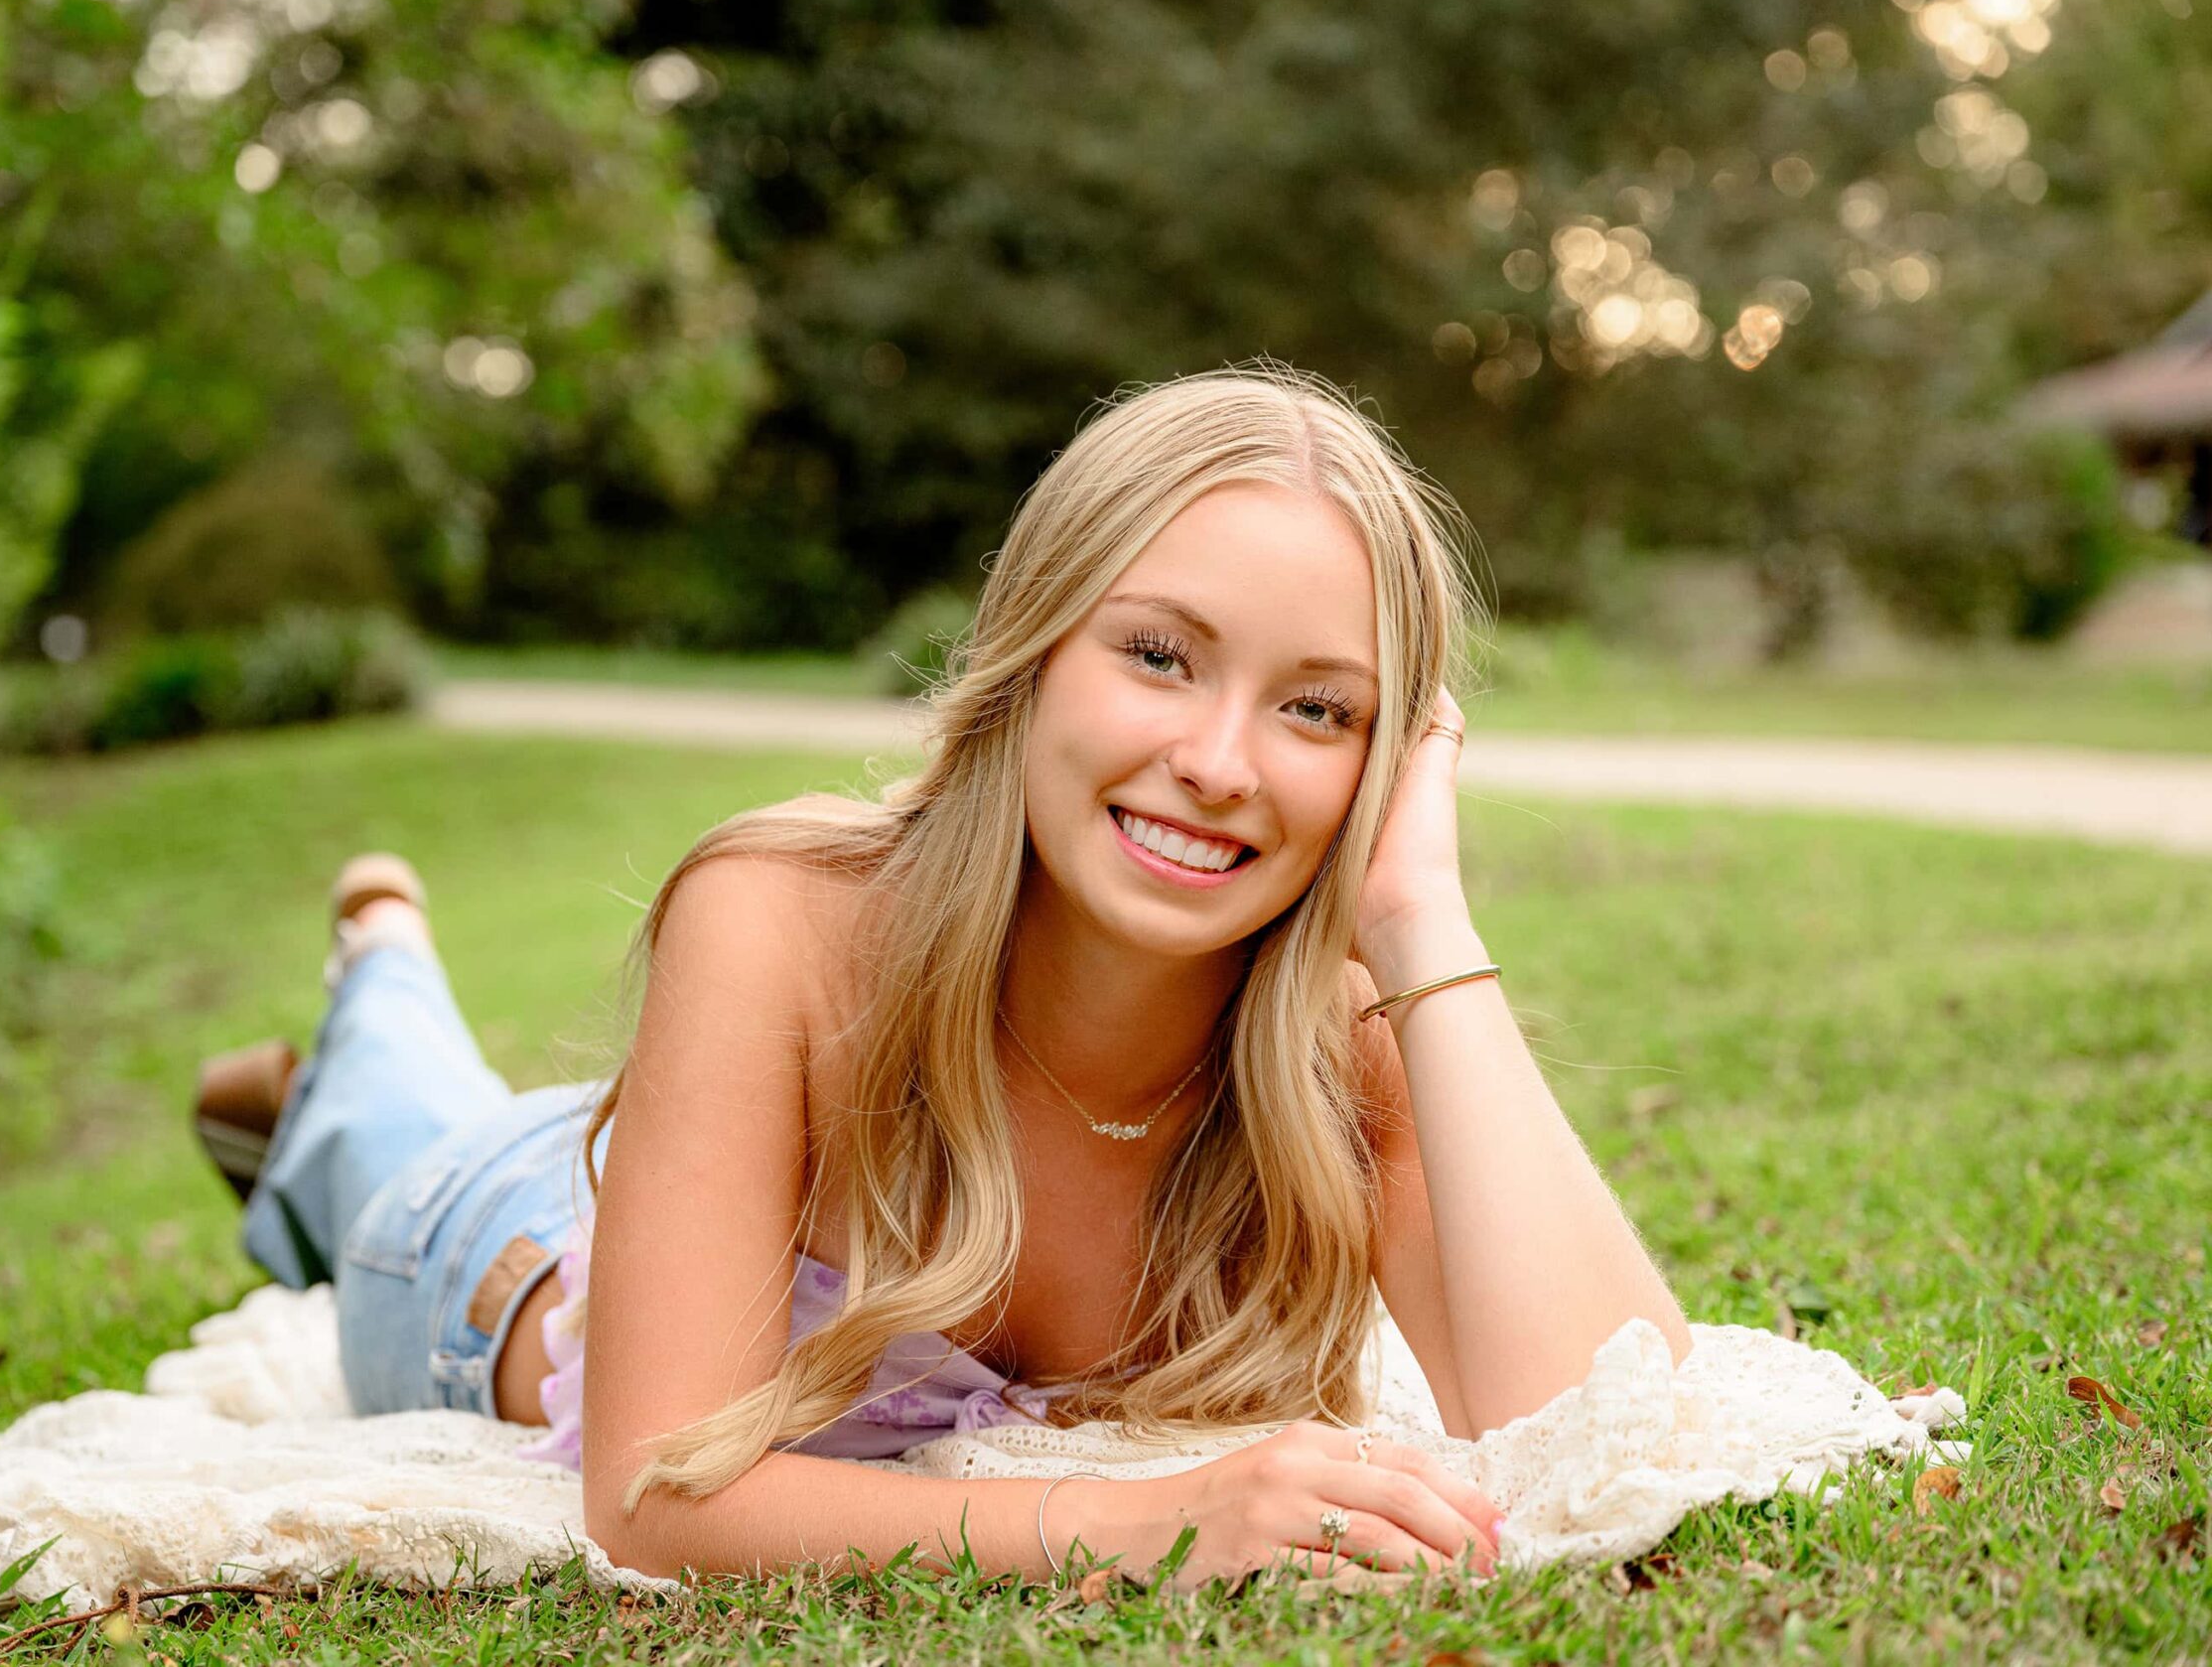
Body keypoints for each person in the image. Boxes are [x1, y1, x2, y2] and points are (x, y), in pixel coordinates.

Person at [193, 363, 1693, 1589]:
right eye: (1159, 656)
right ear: (1034, 650)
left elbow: (1619, 1424)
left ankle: (372, 1004)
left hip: (676, 1159)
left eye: (1318, 709)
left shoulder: (1337, 1034)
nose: (1221, 764)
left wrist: (1422, 923)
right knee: (394, 1128)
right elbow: (653, 1500)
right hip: (487, 1253)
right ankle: (378, 962)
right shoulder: (780, 917)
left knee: (425, 1102)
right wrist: (1149, 1524)